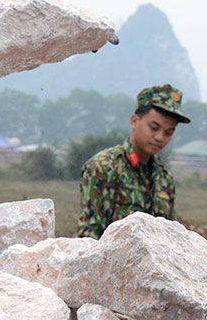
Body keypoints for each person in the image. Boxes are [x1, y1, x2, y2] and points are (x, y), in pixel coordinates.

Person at [77, 84, 191, 239]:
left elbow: (169, 239)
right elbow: (89, 238)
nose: (159, 137)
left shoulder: (164, 180)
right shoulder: (103, 167)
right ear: (134, 121)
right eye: (153, 127)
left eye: (168, 132)